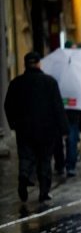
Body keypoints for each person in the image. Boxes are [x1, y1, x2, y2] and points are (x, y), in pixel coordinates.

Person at [4, 51, 69, 202]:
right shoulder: (50, 82)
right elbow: (57, 107)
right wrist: (64, 128)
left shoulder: (16, 83)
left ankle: (24, 176)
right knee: (44, 159)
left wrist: (13, 123)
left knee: (26, 156)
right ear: (39, 63)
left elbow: (8, 105)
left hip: (24, 129)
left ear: (25, 64)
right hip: (46, 129)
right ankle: (44, 192)